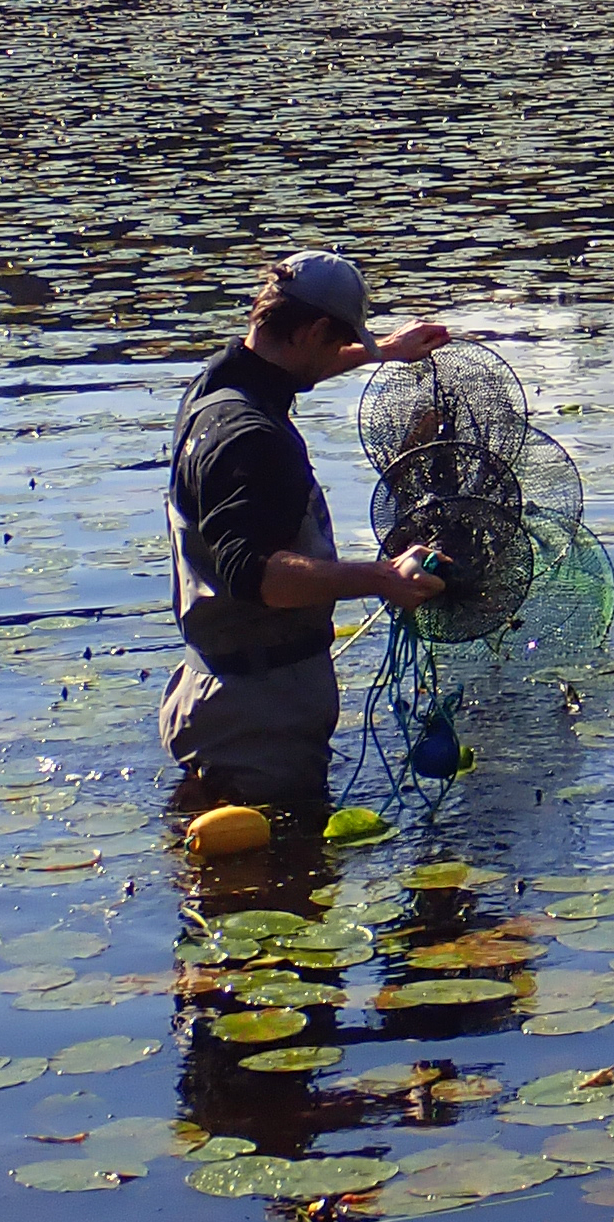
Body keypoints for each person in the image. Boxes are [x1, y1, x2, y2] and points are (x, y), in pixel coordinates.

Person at [160, 249, 455, 812]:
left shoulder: (212, 390)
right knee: (285, 881)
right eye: (332, 343)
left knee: (232, 870)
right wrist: (383, 577)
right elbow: (255, 574)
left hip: (211, 690)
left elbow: (294, 364)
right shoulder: (254, 439)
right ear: (314, 329)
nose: (333, 357)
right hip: (260, 716)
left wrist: (385, 352)